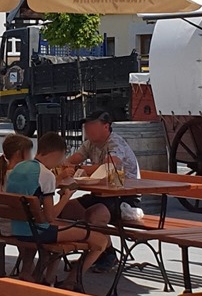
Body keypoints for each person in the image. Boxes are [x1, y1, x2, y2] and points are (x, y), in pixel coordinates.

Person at [4, 132, 106, 281]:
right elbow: (50, 217)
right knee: (101, 240)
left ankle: (43, 278)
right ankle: (71, 282)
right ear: (56, 154)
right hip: (37, 232)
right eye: (62, 157)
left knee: (63, 230)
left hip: (18, 228)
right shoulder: (46, 175)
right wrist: (66, 197)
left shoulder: (19, 168)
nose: (61, 162)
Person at [58, 112, 140, 273]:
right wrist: (64, 166)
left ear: (106, 127)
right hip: (101, 194)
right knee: (64, 210)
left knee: (94, 216)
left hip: (124, 197)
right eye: (86, 126)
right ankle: (89, 250)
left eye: (92, 125)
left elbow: (109, 166)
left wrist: (76, 168)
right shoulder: (90, 144)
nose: (87, 129)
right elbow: (71, 160)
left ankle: (106, 253)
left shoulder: (115, 143)